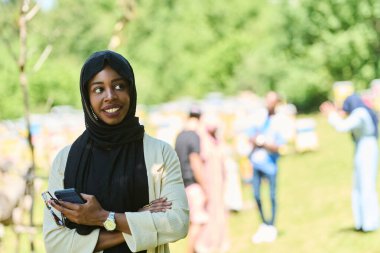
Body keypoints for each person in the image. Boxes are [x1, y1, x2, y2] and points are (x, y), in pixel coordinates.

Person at [42, 50, 189, 253]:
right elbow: (55, 243)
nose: (110, 96)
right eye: (98, 89)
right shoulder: (66, 160)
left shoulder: (160, 154)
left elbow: (177, 223)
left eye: (119, 86)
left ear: (131, 90)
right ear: (87, 96)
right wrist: (136, 222)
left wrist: (102, 217)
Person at [320, 93, 379, 232]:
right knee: (360, 185)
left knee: (366, 185)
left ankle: (370, 222)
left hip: (366, 148)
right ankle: (362, 221)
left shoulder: (360, 113)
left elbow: (342, 126)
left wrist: (331, 114)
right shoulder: (363, 111)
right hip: (363, 147)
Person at [248, 91, 285, 244]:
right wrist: (256, 140)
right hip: (256, 163)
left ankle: (272, 225)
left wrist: (266, 144)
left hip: (270, 164)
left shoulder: (280, 121)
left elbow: (280, 146)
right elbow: (249, 136)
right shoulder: (259, 117)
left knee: (272, 195)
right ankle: (264, 223)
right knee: (256, 195)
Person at [174, 107, 208, 253]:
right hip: (193, 184)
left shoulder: (180, 135)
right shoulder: (194, 136)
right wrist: (205, 187)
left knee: (192, 221)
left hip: (182, 184)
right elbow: (195, 163)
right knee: (198, 222)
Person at [196, 113, 230, 253]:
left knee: (220, 211)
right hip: (208, 182)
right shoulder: (202, 140)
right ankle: (206, 243)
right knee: (209, 212)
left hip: (219, 182)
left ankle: (220, 241)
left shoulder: (218, 140)